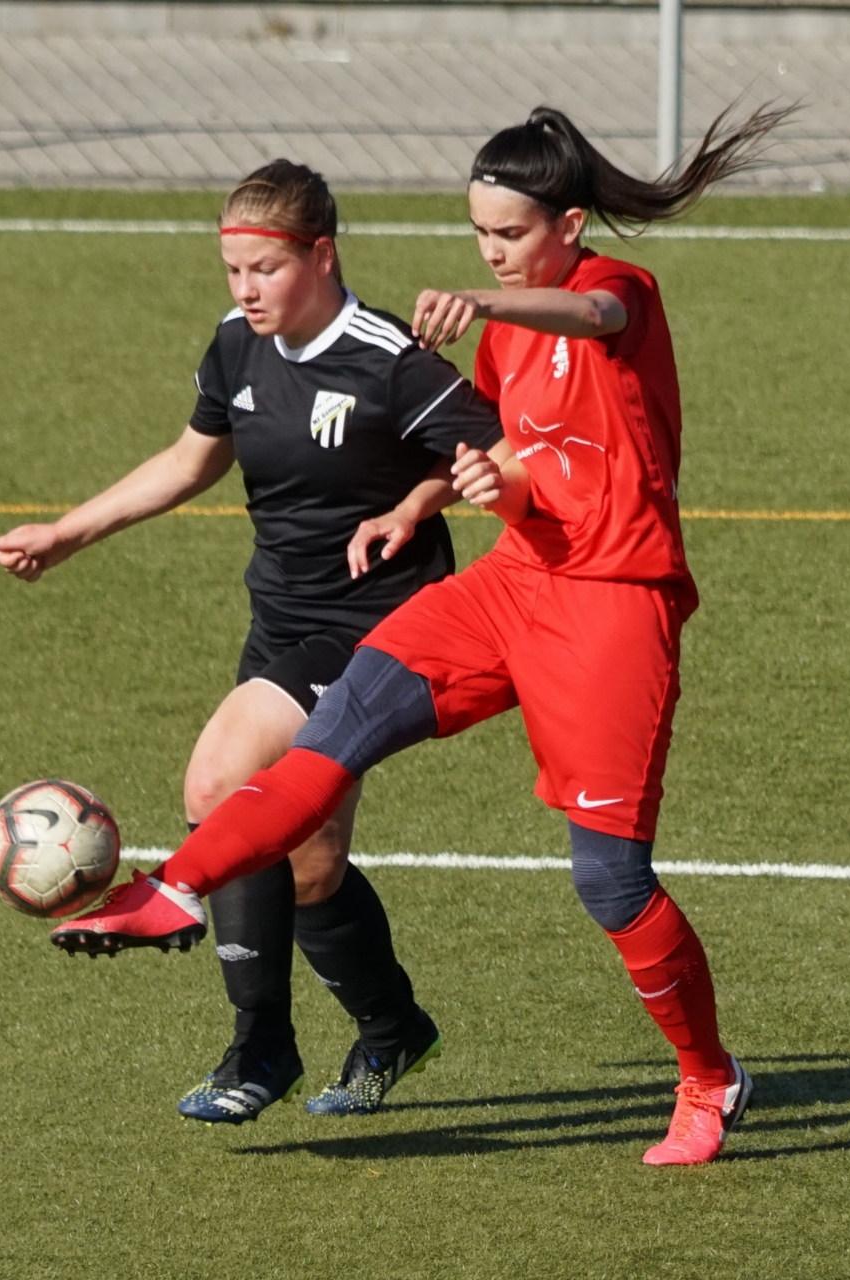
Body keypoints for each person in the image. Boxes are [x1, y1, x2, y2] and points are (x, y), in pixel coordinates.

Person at [49, 105, 791, 1166]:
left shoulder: (619, 293)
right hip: (515, 582)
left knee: (610, 882)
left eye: (510, 234)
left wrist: (489, 301)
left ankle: (711, 1078)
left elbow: (590, 315)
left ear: (569, 225)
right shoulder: (505, 336)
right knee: (335, 727)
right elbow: (505, 456)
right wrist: (424, 500)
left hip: (614, 604)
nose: (491, 252)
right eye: (479, 235)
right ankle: (173, 889)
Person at [0, 160, 505, 1124]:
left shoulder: (386, 358)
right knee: (308, 863)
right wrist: (67, 533)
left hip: (375, 630)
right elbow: (192, 459)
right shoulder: (238, 344)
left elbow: (497, 445)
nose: (246, 289)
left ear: (323, 255)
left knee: (221, 782)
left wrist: (414, 503)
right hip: (279, 622)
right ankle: (394, 1029)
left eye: (266, 269)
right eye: (234, 271)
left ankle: (259, 1048)